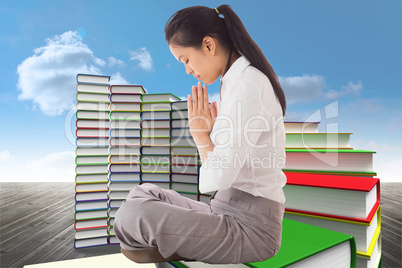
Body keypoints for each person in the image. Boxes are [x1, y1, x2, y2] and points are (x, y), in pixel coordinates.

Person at [114, 5, 287, 264]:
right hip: (224, 209)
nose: (187, 70)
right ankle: (173, 240)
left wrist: (201, 137)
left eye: (185, 59)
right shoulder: (233, 82)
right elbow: (226, 166)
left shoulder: (247, 85)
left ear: (208, 45)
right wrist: (214, 135)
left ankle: (168, 243)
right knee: (145, 192)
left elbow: (218, 178)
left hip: (253, 228)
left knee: (132, 215)